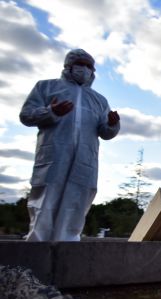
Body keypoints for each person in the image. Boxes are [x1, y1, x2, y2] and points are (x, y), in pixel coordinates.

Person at [20, 49, 121, 241]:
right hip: (53, 156)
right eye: (80, 64)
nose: (84, 69)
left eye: (89, 67)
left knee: (78, 199)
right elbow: (26, 115)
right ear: (68, 66)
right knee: (46, 197)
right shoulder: (46, 87)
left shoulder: (99, 100)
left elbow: (105, 132)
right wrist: (51, 112)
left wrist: (113, 124)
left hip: (85, 159)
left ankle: (69, 243)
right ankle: (36, 244)